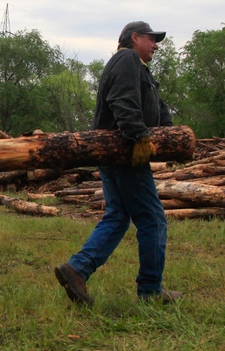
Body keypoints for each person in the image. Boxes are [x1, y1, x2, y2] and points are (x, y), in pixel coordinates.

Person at [54, 21, 182, 305]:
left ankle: (77, 269)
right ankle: (150, 291)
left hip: (113, 153)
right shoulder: (126, 58)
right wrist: (138, 138)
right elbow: (122, 101)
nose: (156, 45)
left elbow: (155, 109)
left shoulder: (138, 68)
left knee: (118, 216)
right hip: (124, 152)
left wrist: (169, 134)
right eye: (151, 39)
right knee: (152, 219)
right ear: (134, 37)